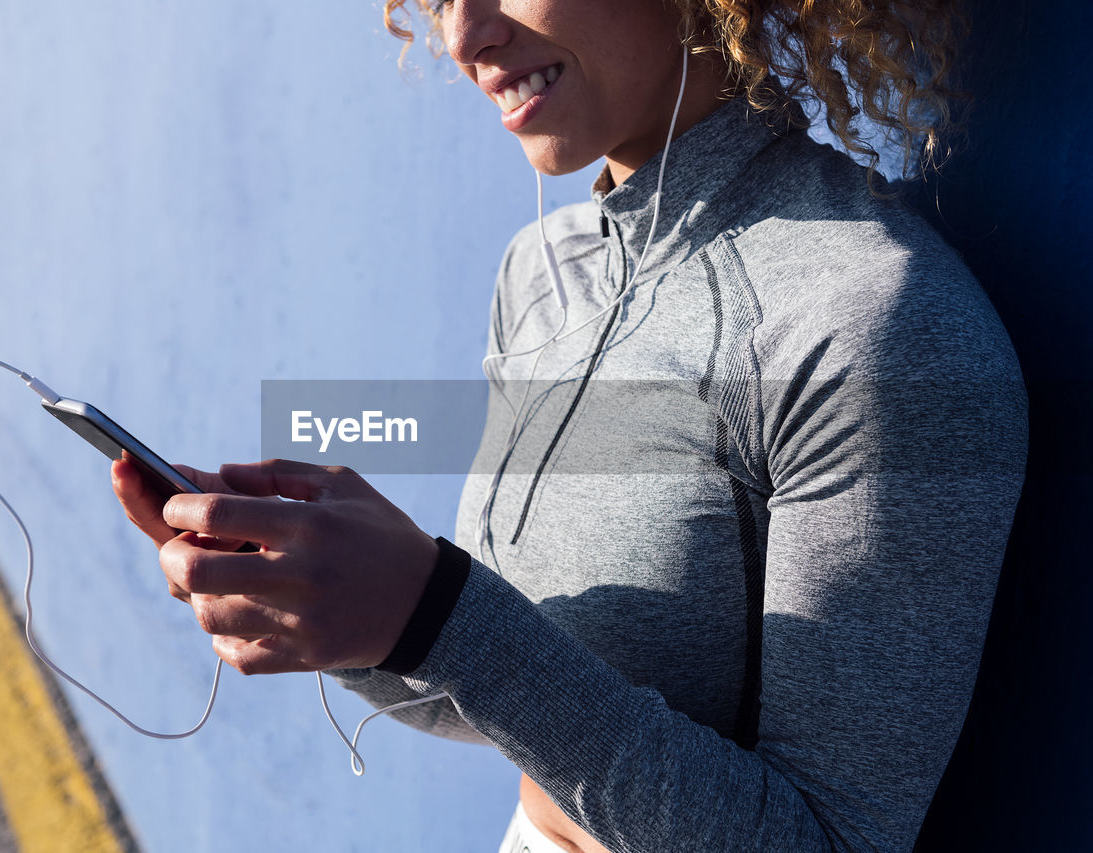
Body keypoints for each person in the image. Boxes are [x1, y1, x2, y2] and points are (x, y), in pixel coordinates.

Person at [113, 0, 1028, 849]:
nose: (464, 38)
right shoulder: (544, 272)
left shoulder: (866, 321)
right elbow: (504, 690)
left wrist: (434, 610)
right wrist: (342, 612)